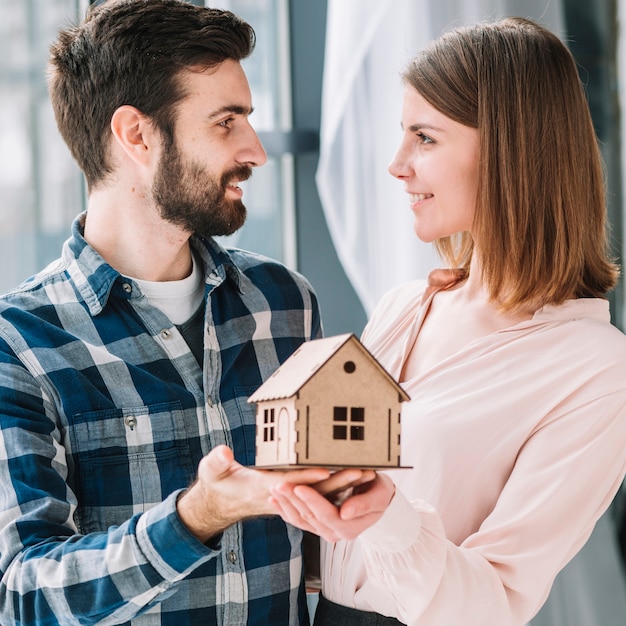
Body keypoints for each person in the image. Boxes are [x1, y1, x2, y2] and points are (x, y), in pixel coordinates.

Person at [0, 1, 369, 624]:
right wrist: (195, 517)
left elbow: (310, 552)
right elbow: (24, 595)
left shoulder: (285, 303)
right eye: (226, 122)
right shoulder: (20, 341)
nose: (255, 150)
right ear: (137, 135)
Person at [269, 16, 626, 626]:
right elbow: (338, 552)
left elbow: (498, 604)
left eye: (425, 138)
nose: (397, 164)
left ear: (513, 151)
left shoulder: (595, 369)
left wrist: (386, 519)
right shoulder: (404, 307)